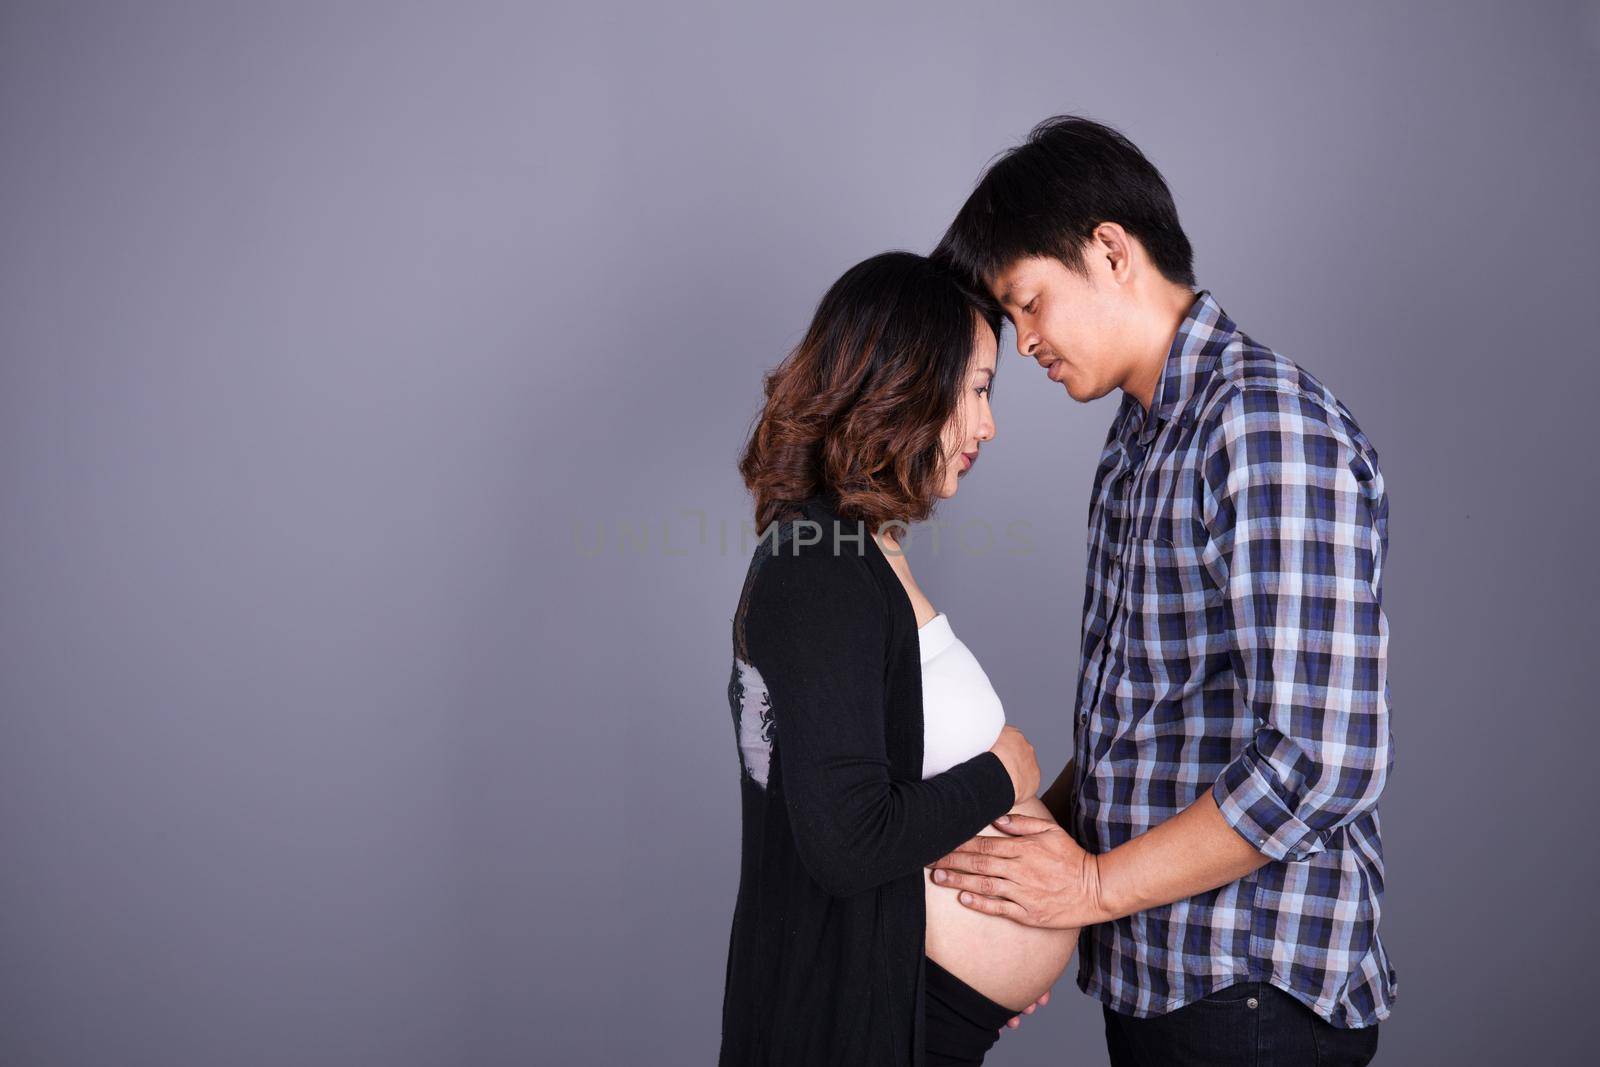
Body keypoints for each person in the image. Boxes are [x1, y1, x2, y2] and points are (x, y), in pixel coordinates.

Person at [925, 115, 1396, 1066]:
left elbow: (1323, 756)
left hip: (1252, 989)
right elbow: (1145, 724)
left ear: (1109, 250)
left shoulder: (1261, 425)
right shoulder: (1142, 440)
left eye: (1028, 303)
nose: (1024, 344)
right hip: (1161, 972)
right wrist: (1021, 893)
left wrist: (1088, 888)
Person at [719, 251, 1079, 1066]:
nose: (987, 426)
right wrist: (1008, 772)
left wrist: (995, 961)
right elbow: (848, 840)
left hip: (916, 1006)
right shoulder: (818, 567)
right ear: (908, 383)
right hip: (859, 1021)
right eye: (979, 389)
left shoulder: (863, 551)